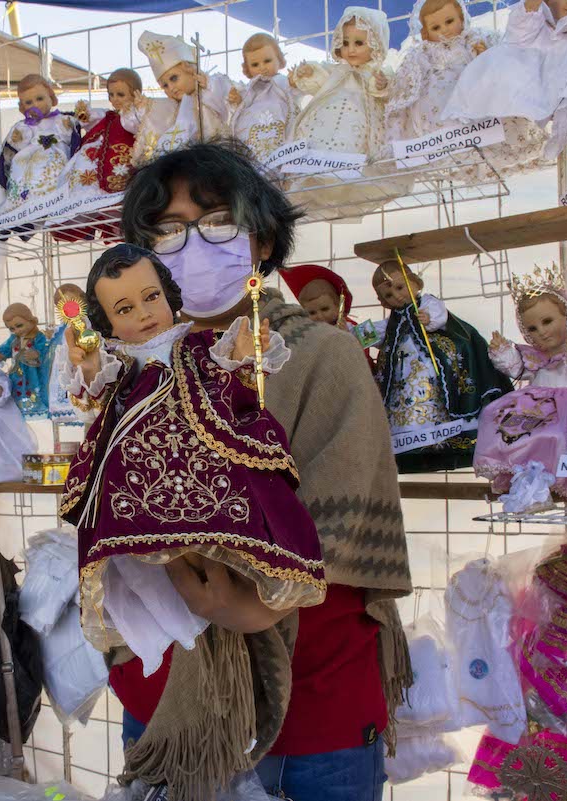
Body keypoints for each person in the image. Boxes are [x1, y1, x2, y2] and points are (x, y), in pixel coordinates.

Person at [114, 140, 413, 801]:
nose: (192, 245)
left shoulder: (321, 357)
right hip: (166, 705)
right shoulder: (134, 371)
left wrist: (253, 602)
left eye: (217, 220)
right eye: (166, 231)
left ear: (260, 236)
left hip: (311, 712)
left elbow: (346, 527)